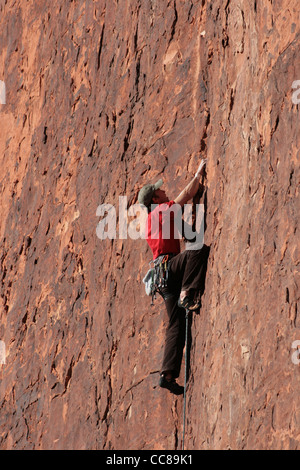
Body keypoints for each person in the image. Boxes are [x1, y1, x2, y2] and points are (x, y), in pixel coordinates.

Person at [138, 158, 210, 394]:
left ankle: (167, 374)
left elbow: (182, 228)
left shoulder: (151, 220)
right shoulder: (161, 210)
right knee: (198, 249)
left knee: (175, 324)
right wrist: (198, 174)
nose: (163, 188)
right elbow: (187, 194)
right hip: (171, 270)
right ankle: (188, 292)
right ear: (155, 199)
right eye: (159, 189)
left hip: (163, 277)